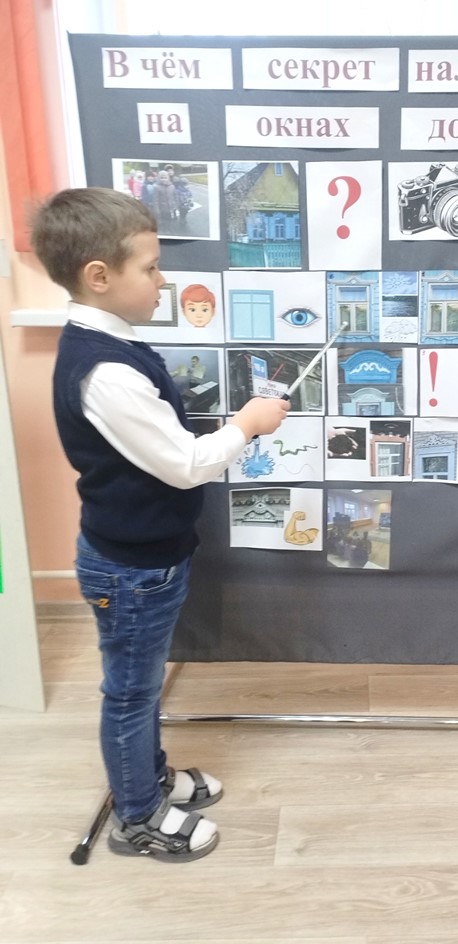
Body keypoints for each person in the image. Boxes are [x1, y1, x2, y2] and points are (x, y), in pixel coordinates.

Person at [30, 187, 289, 863]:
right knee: (131, 692)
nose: (162, 280)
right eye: (149, 267)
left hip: (145, 559)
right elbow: (184, 465)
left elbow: (162, 446)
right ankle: (138, 817)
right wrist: (247, 424)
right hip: (131, 569)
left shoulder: (115, 345)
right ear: (99, 275)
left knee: (141, 686)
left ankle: (148, 780)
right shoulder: (105, 372)